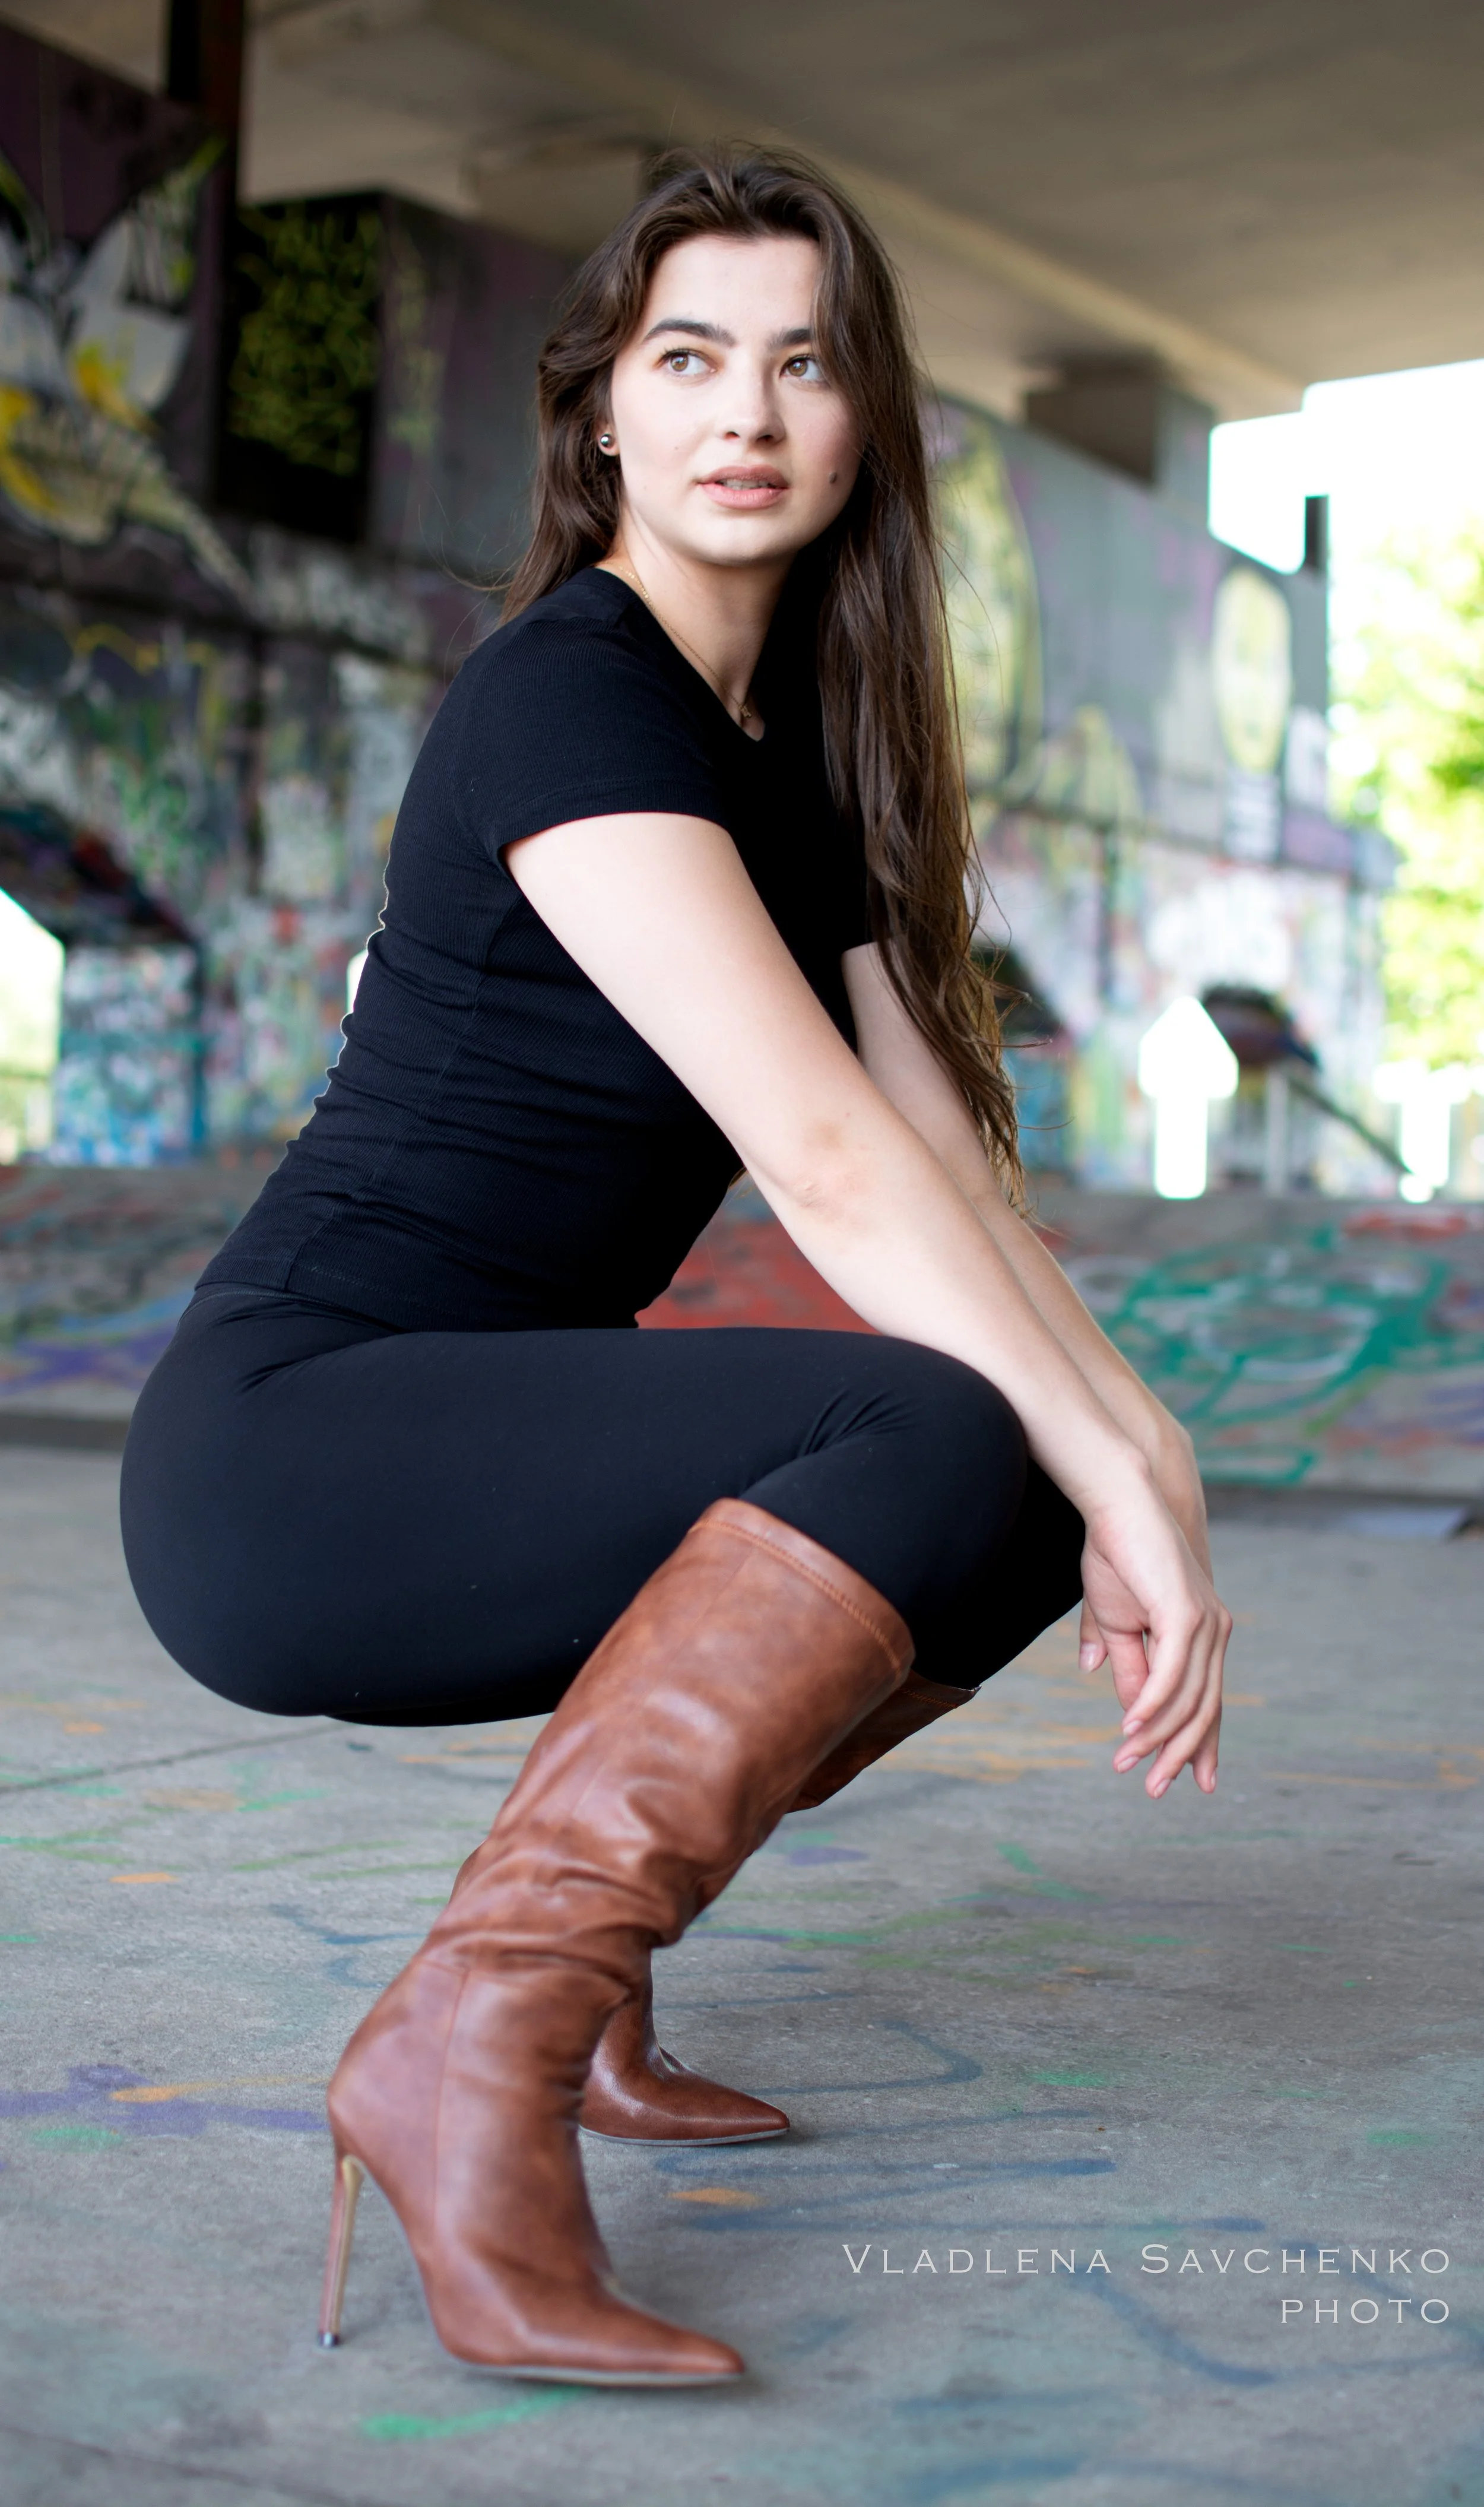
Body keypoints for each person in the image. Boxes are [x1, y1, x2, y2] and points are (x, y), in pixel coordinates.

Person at [120, 150, 1229, 2391]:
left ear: (860, 424)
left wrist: (1141, 1459)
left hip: (443, 1429)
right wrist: (1116, 1472)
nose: (746, 409)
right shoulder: (566, 696)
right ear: (600, 414)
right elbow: (815, 1153)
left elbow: (943, 1168)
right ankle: (469, 2050)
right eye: (686, 356)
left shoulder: (775, 760)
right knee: (928, 1416)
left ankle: (586, 1993)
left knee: (1000, 1450)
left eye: (802, 361)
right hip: (290, 1453)